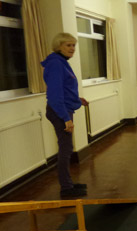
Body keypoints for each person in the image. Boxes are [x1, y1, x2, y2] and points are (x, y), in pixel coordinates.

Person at [42, 33, 89, 197]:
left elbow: (64, 89)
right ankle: (66, 188)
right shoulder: (56, 63)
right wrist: (66, 118)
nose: (72, 48)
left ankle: (68, 184)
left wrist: (77, 99)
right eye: (68, 45)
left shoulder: (61, 62)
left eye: (74, 45)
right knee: (66, 148)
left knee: (66, 148)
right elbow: (54, 95)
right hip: (60, 111)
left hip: (64, 108)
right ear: (59, 46)